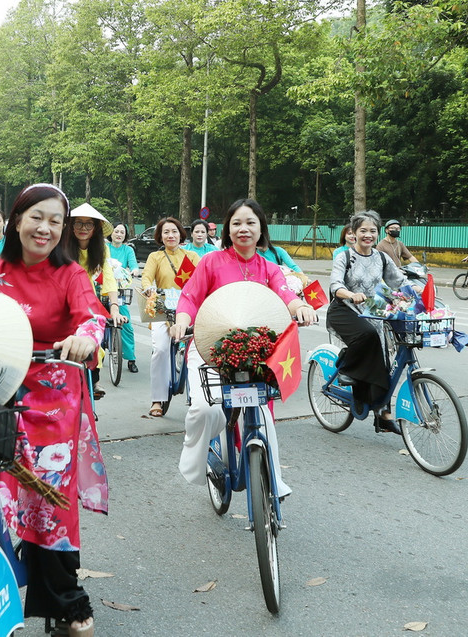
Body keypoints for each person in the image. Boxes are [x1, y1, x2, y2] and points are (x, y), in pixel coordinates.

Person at [0, 183, 108, 637]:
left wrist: (86, 335)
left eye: (55, 221)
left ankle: (68, 604)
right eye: (37, 217)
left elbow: (92, 315)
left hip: (53, 400)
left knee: (50, 505)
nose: (45, 228)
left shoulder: (71, 275)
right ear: (16, 220)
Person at [169, 199, 316, 498]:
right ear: (227, 230)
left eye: (250, 222)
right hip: (209, 347)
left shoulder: (270, 267)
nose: (243, 229)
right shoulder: (211, 262)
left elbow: (287, 294)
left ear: (261, 228)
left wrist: (301, 307)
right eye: (236, 223)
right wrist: (181, 321)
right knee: (204, 409)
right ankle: (198, 455)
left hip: (255, 353)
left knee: (262, 413)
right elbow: (189, 298)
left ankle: (273, 477)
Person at [328, 211, 408, 434]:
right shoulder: (344, 257)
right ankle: (346, 368)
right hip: (344, 308)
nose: (368, 235)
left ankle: (383, 414)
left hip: (371, 311)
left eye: (372, 231)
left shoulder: (381, 257)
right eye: (363, 230)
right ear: (353, 233)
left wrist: (417, 287)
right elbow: (335, 284)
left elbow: (397, 281)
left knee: (384, 358)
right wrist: (350, 294)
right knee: (368, 335)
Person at [63, 203, 125, 399]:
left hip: (88, 300)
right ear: (71, 226)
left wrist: (114, 308)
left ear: (96, 228)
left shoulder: (102, 250)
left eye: (88, 224)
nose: (83, 228)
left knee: (93, 339)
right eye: (78, 223)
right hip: (63, 299)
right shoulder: (61, 247)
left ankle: (93, 380)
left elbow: (109, 278)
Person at [142, 218, 200, 417]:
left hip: (189, 309)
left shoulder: (191, 256)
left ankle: (197, 398)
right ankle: (157, 399)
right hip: (162, 309)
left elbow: (202, 277)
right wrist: (149, 288)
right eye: (166, 232)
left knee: (198, 352)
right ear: (160, 236)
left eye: (174, 231)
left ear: (181, 234)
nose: (170, 236)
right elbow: (146, 277)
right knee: (160, 350)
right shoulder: (155, 258)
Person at [107, 223, 140, 373]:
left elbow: (134, 266)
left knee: (126, 323)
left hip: (120, 290)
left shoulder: (128, 250)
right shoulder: (105, 248)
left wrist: (134, 270)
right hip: (103, 288)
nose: (119, 234)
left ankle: (131, 358)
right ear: (111, 233)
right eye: (116, 231)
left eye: (122, 232)